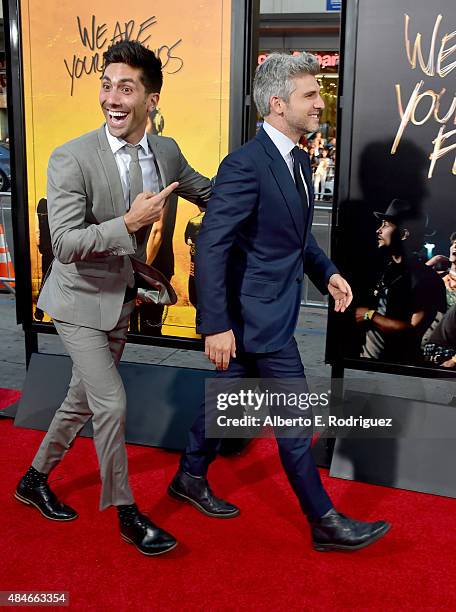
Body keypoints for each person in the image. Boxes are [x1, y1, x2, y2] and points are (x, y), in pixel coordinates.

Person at [168, 52, 390, 552]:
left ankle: (188, 477)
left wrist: (327, 272)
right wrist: (216, 324)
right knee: (295, 420)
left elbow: (294, 238)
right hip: (253, 317)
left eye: (318, 94)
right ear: (276, 103)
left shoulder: (298, 159)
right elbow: (212, 244)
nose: (320, 104)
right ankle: (324, 521)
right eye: (310, 95)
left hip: (265, 311)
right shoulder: (245, 165)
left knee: (225, 399)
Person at [15, 40, 211, 556]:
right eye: (106, 85)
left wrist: (259, 185)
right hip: (77, 302)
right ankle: (127, 515)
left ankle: (32, 480)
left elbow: (206, 190)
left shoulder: (165, 151)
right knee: (110, 402)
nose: (112, 98)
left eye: (126, 87)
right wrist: (127, 224)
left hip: (121, 301)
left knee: (79, 401)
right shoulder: (71, 157)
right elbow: (64, 244)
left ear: (152, 98)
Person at [355, 199, 446, 363]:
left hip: (397, 370)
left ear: (404, 234)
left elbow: (413, 330)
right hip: (367, 364)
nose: (378, 230)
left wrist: (369, 315)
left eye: (385, 225)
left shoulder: (426, 279)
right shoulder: (383, 268)